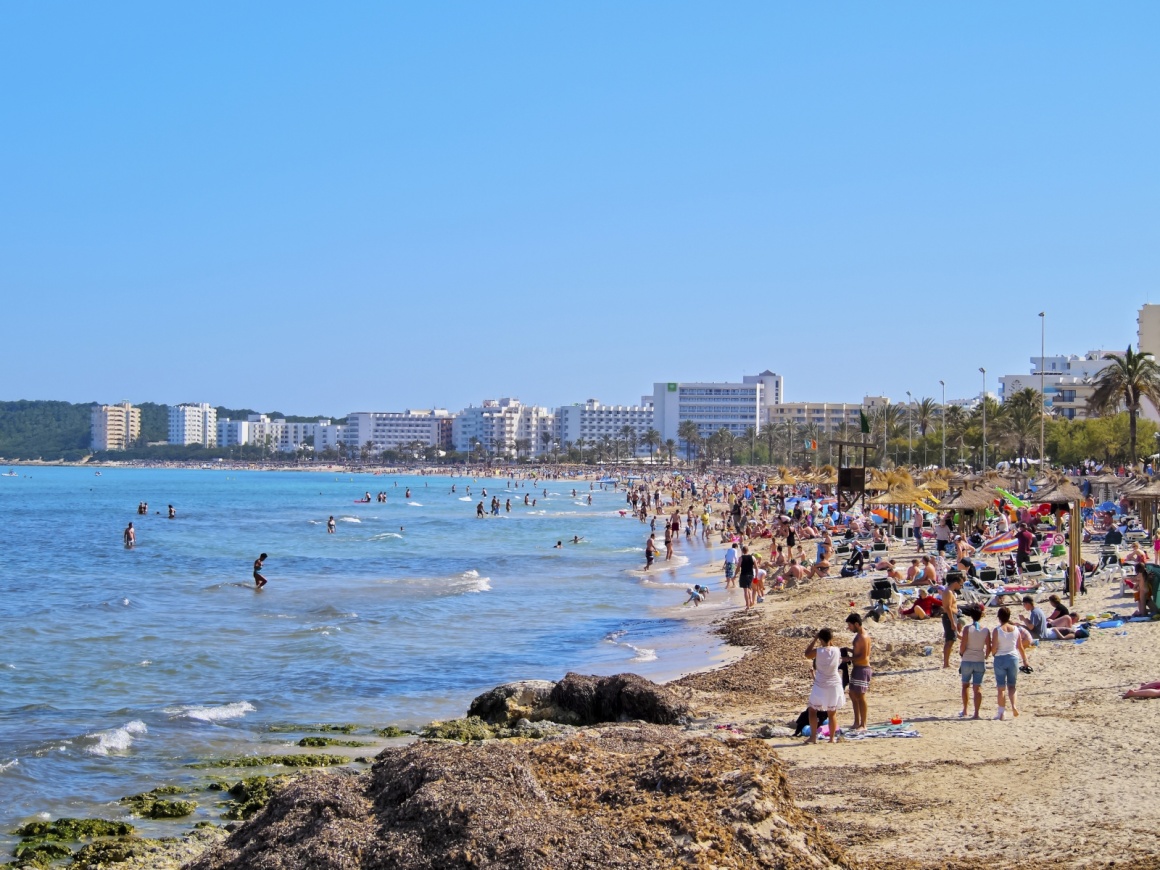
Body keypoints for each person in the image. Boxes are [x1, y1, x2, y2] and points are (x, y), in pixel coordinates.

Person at [991, 606, 1032, 720]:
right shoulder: (1015, 629)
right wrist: (1025, 660)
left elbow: (994, 647)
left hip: (1000, 658)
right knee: (1012, 686)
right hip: (1013, 658)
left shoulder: (997, 630)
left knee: (1001, 687)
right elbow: (1020, 647)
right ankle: (1014, 706)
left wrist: (993, 654)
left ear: (999, 617)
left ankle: (1001, 712)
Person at [804, 628, 845, 743]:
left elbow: (807, 654)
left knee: (812, 710)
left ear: (820, 639)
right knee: (832, 713)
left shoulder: (818, 651)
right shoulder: (837, 650)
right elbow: (831, 646)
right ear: (831, 639)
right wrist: (827, 639)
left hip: (821, 684)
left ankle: (813, 737)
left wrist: (815, 639)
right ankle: (831, 738)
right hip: (834, 683)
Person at [958, 604, 991, 719]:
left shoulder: (967, 629)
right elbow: (988, 647)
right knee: (977, 687)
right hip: (979, 660)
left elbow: (963, 645)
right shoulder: (986, 630)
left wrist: (962, 653)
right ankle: (976, 713)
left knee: (965, 685)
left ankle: (965, 710)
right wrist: (985, 657)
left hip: (967, 659)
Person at [846, 613, 871, 731]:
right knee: (852, 694)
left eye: (850, 626)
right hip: (857, 668)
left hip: (863, 668)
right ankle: (856, 722)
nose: (849, 628)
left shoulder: (864, 637)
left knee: (861, 696)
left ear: (856, 624)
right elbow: (857, 652)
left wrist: (849, 659)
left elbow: (863, 656)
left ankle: (863, 724)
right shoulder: (858, 636)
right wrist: (848, 651)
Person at [941, 574, 964, 668]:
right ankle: (946, 663)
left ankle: (946, 662)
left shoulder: (950, 591)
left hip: (951, 616)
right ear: (955, 583)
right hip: (949, 616)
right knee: (949, 641)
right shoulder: (948, 592)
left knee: (951, 639)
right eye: (960, 584)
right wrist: (952, 622)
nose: (961, 586)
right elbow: (947, 607)